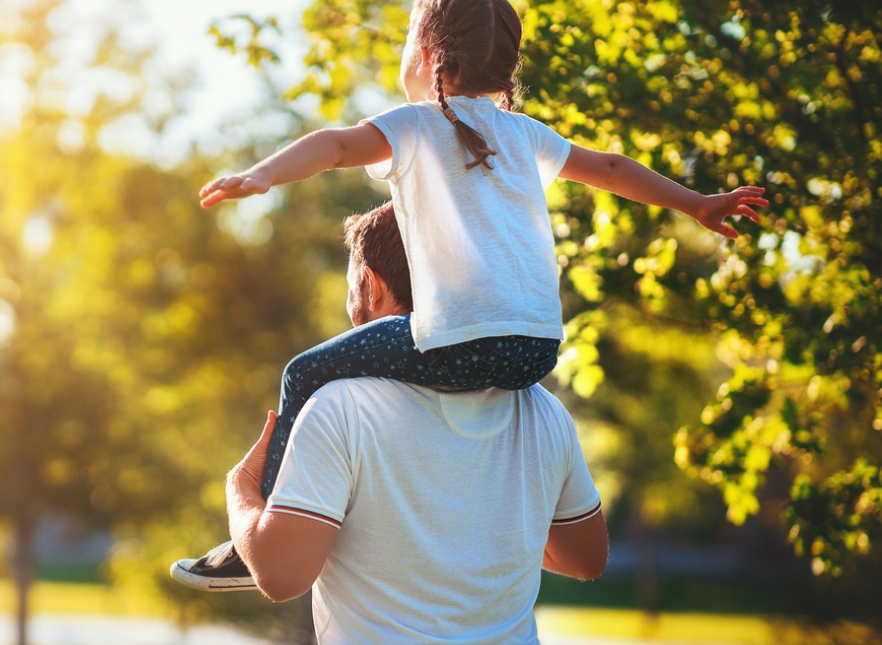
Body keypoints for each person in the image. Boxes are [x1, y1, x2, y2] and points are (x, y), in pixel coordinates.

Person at [174, 0, 766, 588]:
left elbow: (335, 146)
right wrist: (696, 203)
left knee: (304, 374)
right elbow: (610, 168)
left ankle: (262, 534)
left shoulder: (416, 124)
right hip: (536, 351)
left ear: (426, 54)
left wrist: (261, 176)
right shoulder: (525, 135)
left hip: (459, 341)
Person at [220, 203, 607, 643]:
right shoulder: (542, 408)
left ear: (371, 285)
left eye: (352, 286)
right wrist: (475, 538)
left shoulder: (340, 407)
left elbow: (281, 575)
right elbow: (585, 558)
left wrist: (241, 488)